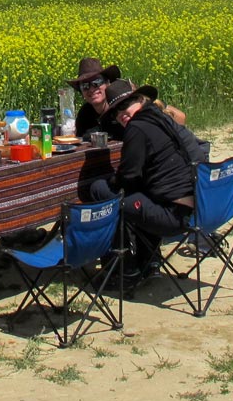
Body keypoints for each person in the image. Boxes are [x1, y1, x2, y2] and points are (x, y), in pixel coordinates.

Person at [89, 79, 200, 284]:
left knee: (99, 189)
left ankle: (123, 268)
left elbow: (126, 179)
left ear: (140, 99)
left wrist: (110, 180)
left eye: (125, 105)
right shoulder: (160, 117)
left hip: (173, 217)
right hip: (198, 208)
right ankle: (148, 261)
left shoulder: (137, 128)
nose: (120, 114)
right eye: (115, 111)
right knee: (140, 193)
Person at [67, 57, 122, 141]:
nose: (91, 89)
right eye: (85, 86)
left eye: (97, 82)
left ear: (107, 83)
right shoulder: (84, 113)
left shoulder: (120, 108)